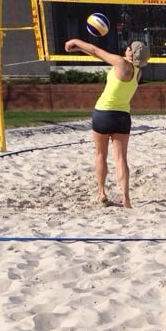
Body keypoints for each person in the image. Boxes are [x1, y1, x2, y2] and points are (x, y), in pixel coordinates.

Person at [64, 37, 150, 208]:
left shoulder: (120, 63)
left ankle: (101, 192)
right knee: (120, 159)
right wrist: (79, 50)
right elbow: (99, 56)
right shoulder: (138, 72)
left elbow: (97, 51)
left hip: (103, 113)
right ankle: (126, 198)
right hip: (122, 117)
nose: (126, 49)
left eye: (128, 48)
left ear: (130, 52)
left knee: (100, 155)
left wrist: (76, 42)